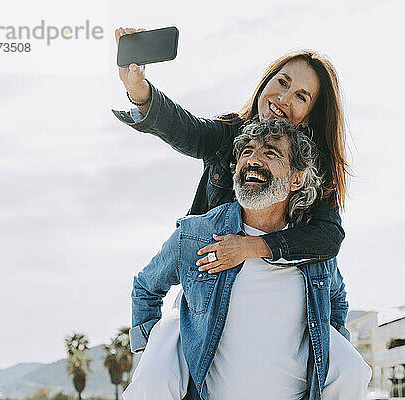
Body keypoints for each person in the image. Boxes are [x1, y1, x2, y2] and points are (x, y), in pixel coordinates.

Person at [124, 119, 370, 400]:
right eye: (247, 151)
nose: (253, 159)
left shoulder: (313, 251)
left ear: (297, 178)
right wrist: (150, 356)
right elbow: (146, 288)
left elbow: (337, 301)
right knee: (168, 335)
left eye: (270, 152)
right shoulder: (197, 236)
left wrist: (327, 350)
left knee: (354, 369)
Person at [111, 27, 349, 272]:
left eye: (301, 96)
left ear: (309, 117)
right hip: (211, 287)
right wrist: (138, 90)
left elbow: (328, 236)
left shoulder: (310, 169)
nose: (284, 98)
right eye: (282, 82)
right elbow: (186, 129)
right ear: (266, 82)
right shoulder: (228, 134)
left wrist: (251, 247)